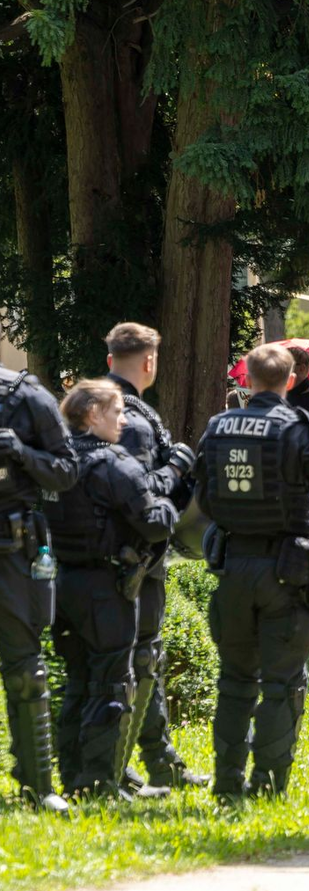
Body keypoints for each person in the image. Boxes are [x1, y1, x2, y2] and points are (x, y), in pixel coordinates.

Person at [194, 343, 309, 798]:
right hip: (290, 570)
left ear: (245, 379)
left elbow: (202, 495)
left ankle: (226, 783)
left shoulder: (218, 427)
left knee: (234, 679)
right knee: (283, 683)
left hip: (233, 566)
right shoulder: (302, 428)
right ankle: (267, 786)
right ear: (289, 380)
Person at [46, 380, 178, 798]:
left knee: (78, 682)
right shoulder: (113, 464)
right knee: (111, 685)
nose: (123, 420)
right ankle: (99, 783)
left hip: (62, 585)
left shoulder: (55, 462)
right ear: (92, 415)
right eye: (117, 412)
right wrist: (172, 501)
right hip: (105, 589)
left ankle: (72, 778)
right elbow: (154, 521)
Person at [104, 321, 205, 791]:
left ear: (110, 361)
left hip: (93, 558)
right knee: (138, 662)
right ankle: (116, 769)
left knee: (138, 661)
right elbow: (140, 498)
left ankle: (159, 761)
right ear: (150, 363)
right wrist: (178, 466)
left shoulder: (85, 407)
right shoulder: (134, 419)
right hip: (134, 562)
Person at [0, 362, 77, 813]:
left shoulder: (27, 397)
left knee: (25, 670)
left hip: (12, 552)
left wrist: (23, 454)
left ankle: (37, 784)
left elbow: (66, 471)